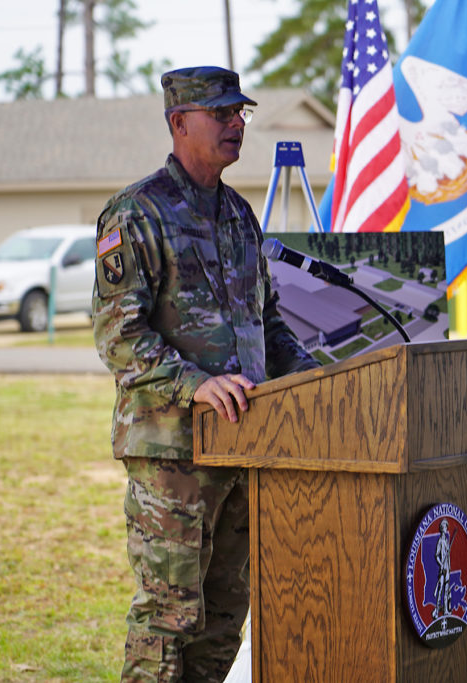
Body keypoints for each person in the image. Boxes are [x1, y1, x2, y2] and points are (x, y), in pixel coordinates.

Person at [92, 66, 319, 682]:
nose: (236, 124)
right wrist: (197, 384)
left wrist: (316, 381)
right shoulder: (137, 214)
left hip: (241, 448)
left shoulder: (240, 217)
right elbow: (119, 336)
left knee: (224, 617)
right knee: (170, 616)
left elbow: (265, 325)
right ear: (179, 122)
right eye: (221, 114)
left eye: (240, 113)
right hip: (172, 455)